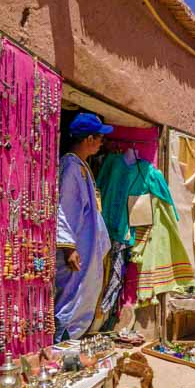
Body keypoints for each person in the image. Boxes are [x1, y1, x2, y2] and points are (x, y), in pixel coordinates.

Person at [55, 112, 114, 341]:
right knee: (71, 297)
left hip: (86, 248)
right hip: (78, 250)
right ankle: (62, 343)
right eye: (100, 138)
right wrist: (69, 248)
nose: (101, 143)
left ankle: (72, 342)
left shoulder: (80, 166)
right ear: (89, 139)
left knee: (82, 295)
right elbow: (65, 207)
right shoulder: (71, 167)